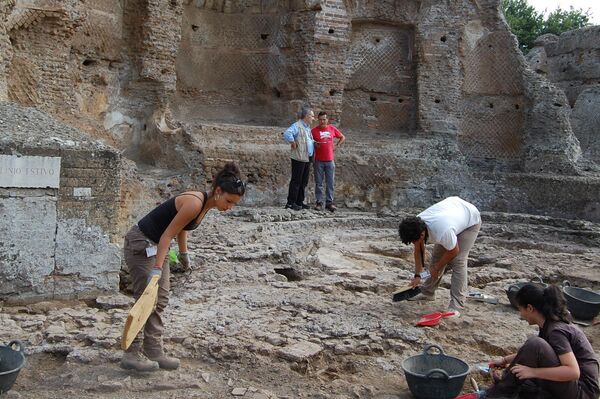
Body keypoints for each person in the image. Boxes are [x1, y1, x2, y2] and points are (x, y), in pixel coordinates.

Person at [120, 163, 246, 372]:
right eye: (229, 201)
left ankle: (153, 350)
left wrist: (184, 254)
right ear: (218, 191)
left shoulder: (205, 205)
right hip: (142, 244)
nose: (229, 207)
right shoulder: (194, 203)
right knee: (146, 298)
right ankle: (131, 354)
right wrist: (157, 269)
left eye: (234, 204)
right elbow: (166, 235)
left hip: (157, 246)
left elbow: (181, 228)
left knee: (161, 299)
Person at [484, 284, 599, 399]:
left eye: (520, 309)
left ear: (530, 308)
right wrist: (504, 360)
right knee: (526, 379)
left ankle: (497, 393)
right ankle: (502, 388)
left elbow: (573, 372)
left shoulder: (556, 331)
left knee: (535, 344)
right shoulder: (549, 323)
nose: (521, 315)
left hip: (583, 392)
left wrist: (533, 372)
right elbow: (531, 353)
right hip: (575, 387)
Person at [398, 196, 481, 314]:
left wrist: (436, 268)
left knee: (458, 260)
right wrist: (417, 275)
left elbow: (453, 251)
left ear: (422, 235)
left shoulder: (442, 231)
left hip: (470, 220)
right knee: (437, 257)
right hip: (454, 214)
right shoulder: (416, 224)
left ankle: (457, 304)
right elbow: (418, 251)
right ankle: (427, 292)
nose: (413, 244)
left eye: (413, 241)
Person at [311, 111, 345, 212]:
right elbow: (310, 141)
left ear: (327, 119)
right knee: (319, 183)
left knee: (330, 182)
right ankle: (319, 202)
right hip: (318, 161)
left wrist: (337, 145)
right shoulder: (313, 131)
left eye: (324, 119)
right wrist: (314, 144)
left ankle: (329, 203)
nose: (322, 121)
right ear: (318, 120)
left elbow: (342, 137)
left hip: (330, 160)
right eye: (320, 119)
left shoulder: (332, 129)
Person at [282, 107, 315, 211]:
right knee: (296, 181)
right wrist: (292, 142)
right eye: (312, 116)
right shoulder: (297, 125)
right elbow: (287, 133)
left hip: (307, 157)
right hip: (299, 157)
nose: (313, 118)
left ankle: (299, 202)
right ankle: (290, 203)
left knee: (303, 181)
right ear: (306, 116)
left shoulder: (307, 127)